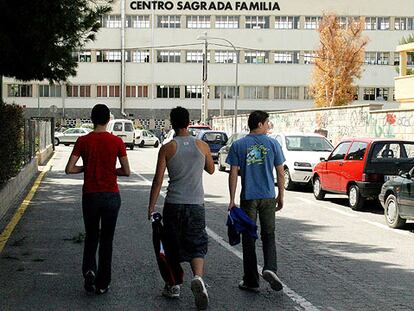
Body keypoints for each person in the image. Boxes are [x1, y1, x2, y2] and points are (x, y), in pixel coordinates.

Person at [148, 106, 214, 310]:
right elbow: (211, 169)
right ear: (189, 122)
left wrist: (151, 207)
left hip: (174, 204)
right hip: (196, 204)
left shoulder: (167, 148)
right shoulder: (202, 146)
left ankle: (173, 285)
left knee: (171, 244)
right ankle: (198, 279)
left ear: (172, 123)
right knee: (197, 241)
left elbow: (158, 180)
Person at [65, 104, 130, 294]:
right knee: (107, 240)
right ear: (108, 120)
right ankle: (102, 283)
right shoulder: (116, 142)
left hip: (90, 195)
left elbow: (69, 168)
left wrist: (87, 168)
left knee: (91, 236)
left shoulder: (83, 140)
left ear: (91, 119)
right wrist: (110, 170)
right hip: (111, 196)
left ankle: (89, 270)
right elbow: (127, 171)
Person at [226, 110, 285, 293]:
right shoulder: (273, 144)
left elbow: (233, 173)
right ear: (259, 124)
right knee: (269, 234)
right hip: (268, 196)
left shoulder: (238, 145)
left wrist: (231, 199)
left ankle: (251, 280)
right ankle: (270, 269)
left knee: (249, 238)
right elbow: (280, 172)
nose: (269, 126)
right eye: (267, 122)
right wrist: (280, 195)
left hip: (248, 198)